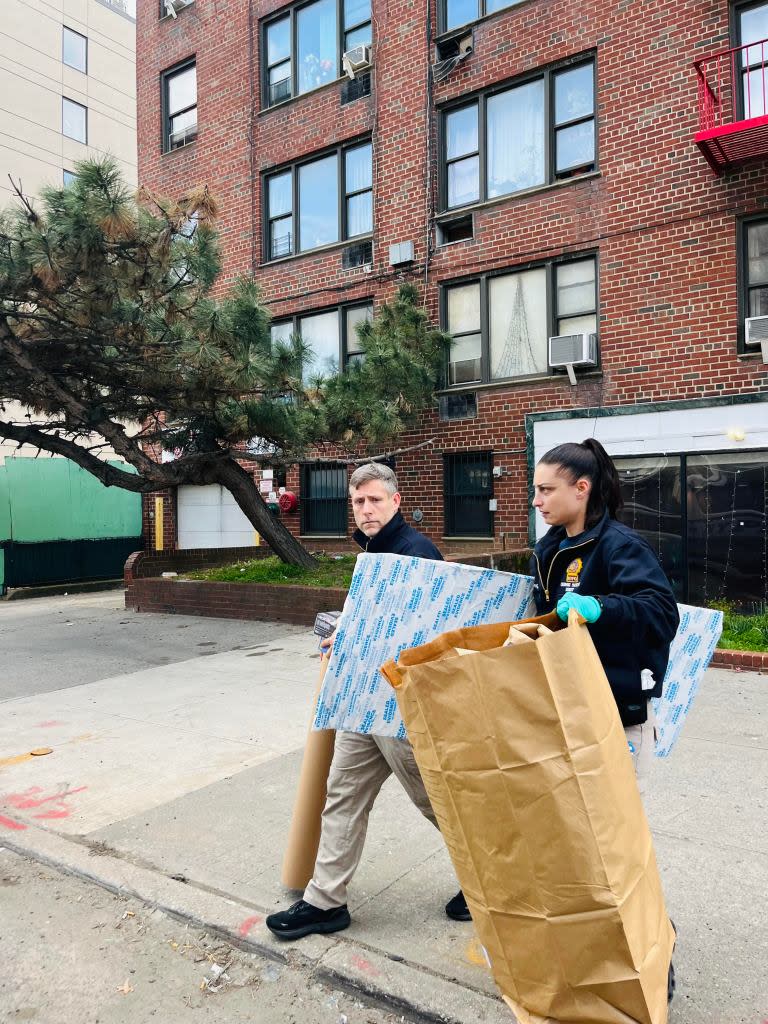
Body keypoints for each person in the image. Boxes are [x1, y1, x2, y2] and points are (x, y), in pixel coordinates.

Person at [267, 462, 470, 941]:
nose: (365, 509)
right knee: (343, 795)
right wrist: (345, 634)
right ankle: (325, 902)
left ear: (396, 502)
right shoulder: (372, 550)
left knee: (439, 804)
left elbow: (431, 633)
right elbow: (377, 623)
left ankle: (496, 884)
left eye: (375, 500)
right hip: (364, 703)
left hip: (401, 708)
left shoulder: (416, 553)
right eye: (358, 502)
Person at [530, 437, 679, 1002]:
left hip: (620, 715)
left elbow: (661, 613)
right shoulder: (548, 548)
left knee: (619, 842)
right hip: (569, 711)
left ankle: (654, 946)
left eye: (547, 490)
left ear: (581, 489)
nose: (538, 500)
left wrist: (600, 608)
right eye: (537, 490)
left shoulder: (618, 546)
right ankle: (600, 947)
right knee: (582, 841)